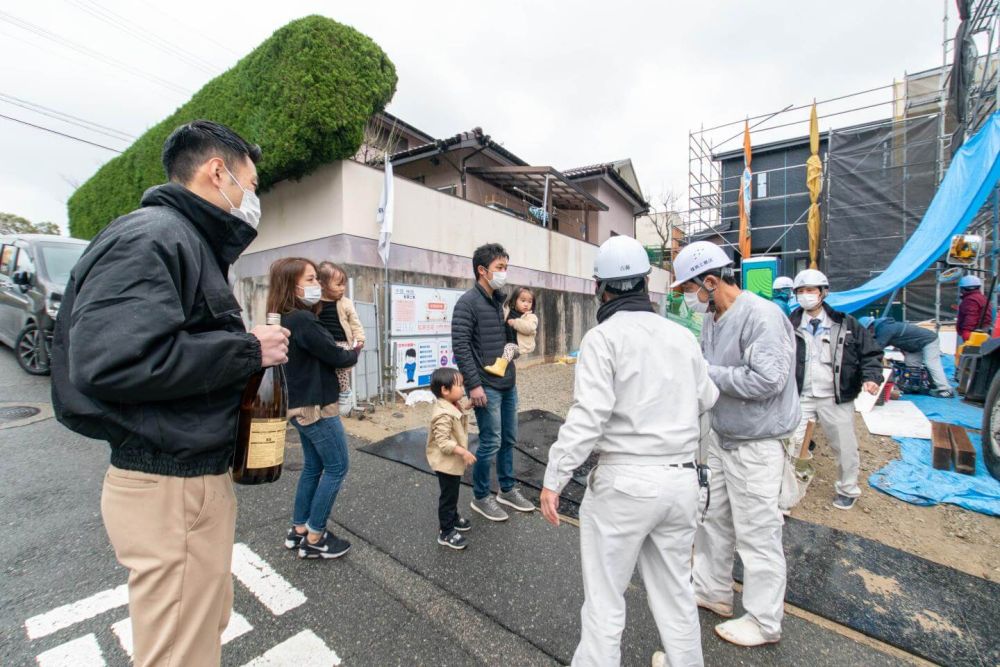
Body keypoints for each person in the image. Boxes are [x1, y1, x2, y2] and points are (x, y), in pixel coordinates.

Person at [50, 120, 290, 666]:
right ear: (216, 172)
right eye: (250, 187)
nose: (251, 201)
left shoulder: (183, 241)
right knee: (179, 652)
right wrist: (248, 350)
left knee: (199, 630)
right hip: (169, 484)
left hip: (183, 478)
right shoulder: (154, 236)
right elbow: (114, 361)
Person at [540, 235, 718, 667]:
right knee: (677, 592)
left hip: (624, 483)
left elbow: (589, 417)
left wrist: (554, 478)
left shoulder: (602, 338)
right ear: (644, 283)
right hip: (681, 482)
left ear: (600, 288)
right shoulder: (681, 337)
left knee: (604, 598)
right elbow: (707, 399)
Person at [673, 241, 800, 648]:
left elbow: (768, 380)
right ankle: (712, 591)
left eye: (690, 290)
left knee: (758, 532)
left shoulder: (761, 317)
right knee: (714, 520)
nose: (689, 300)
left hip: (758, 442)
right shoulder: (714, 316)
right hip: (727, 437)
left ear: (711, 281)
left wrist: (706, 372)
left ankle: (765, 621)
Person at [271, 257, 360, 559]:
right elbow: (336, 356)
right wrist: (353, 351)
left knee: (314, 466)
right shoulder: (303, 320)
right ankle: (315, 536)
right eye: (310, 280)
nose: (316, 286)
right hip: (316, 406)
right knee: (337, 466)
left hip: (297, 404)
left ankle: (299, 531)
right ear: (290, 285)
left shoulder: (282, 317)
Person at [452, 243, 535, 521]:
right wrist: (473, 386)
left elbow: (511, 339)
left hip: (507, 382)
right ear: (482, 270)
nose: (504, 273)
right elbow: (461, 346)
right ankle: (481, 496)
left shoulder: (502, 303)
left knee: (509, 438)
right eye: (500, 268)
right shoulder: (467, 303)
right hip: (485, 385)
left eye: (505, 267)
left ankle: (507, 489)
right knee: (490, 441)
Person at [790, 270, 883, 512]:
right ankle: (788, 492)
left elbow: (871, 353)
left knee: (844, 445)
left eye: (810, 290)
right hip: (802, 395)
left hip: (836, 395)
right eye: (801, 291)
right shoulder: (790, 324)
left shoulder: (845, 323)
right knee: (792, 443)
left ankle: (847, 489)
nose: (805, 296)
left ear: (823, 293)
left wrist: (872, 377)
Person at [426, 367, 477, 550]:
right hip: (445, 463)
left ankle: (453, 518)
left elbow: (459, 415)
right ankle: (446, 531)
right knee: (448, 497)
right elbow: (443, 442)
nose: (463, 389)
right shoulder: (442, 414)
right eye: (459, 385)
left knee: (453, 492)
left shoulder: (452, 404)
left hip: (452, 463)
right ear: (445, 390)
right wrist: (463, 452)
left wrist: (468, 406)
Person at [860, 316, 952, 398]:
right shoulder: (881, 329)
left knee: (931, 362)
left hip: (928, 340)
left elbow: (877, 348)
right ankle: (915, 386)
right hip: (914, 346)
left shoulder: (885, 329)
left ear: (870, 327)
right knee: (911, 364)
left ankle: (945, 389)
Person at [316, 261, 366, 414]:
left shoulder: (345, 303)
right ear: (322, 284)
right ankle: (331, 394)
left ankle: (345, 391)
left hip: (343, 343)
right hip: (324, 343)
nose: (342, 288)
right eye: (338, 284)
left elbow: (355, 322)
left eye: (343, 284)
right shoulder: (315, 302)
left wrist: (360, 338)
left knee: (340, 368)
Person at [484, 285, 538, 376]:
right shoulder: (508, 311)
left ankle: (500, 368)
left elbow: (530, 328)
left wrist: (515, 323)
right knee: (505, 347)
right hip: (505, 343)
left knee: (510, 347)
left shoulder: (531, 317)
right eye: (523, 300)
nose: (526, 304)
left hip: (518, 347)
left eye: (529, 302)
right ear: (514, 301)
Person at [957, 275, 993, 341]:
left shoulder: (969, 300)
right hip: (984, 330)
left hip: (973, 333)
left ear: (963, 289)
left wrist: (966, 331)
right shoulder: (982, 298)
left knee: (971, 351)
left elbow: (971, 316)